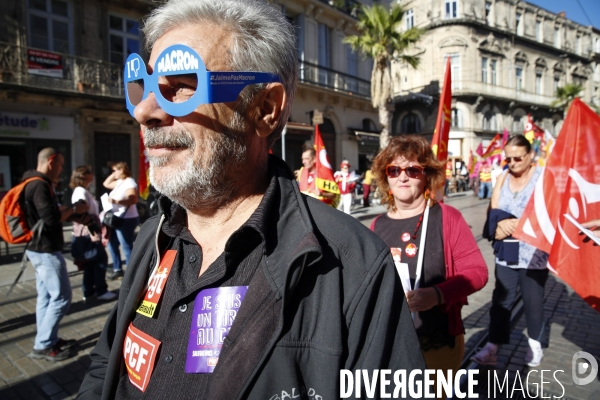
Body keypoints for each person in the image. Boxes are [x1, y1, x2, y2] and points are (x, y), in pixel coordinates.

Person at [78, 1, 424, 398]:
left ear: (264, 109)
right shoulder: (151, 238)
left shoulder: (352, 264)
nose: (144, 111)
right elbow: (107, 364)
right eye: (145, 86)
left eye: (183, 85)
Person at [369, 135, 488, 388]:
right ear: (385, 176)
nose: (402, 177)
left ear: (426, 175)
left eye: (412, 170)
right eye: (394, 170)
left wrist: (437, 295)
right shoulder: (377, 225)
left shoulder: (447, 217)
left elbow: (477, 272)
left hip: (436, 338)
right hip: (390, 339)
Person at [473, 134, 549, 367]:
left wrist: (520, 224)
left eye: (518, 158)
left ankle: (535, 345)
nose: (513, 163)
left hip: (534, 252)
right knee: (501, 301)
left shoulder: (543, 177)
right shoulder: (503, 176)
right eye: (509, 158)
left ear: (530, 155)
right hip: (507, 250)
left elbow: (549, 213)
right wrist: (499, 224)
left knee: (532, 300)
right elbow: (493, 210)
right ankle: (492, 347)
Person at [23, 148, 87, 361]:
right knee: (61, 296)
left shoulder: (30, 182)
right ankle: (43, 344)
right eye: (59, 165)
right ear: (51, 162)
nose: (61, 169)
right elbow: (50, 218)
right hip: (45, 250)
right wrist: (74, 210)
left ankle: (46, 340)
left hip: (37, 248)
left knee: (46, 296)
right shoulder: (39, 185)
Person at [69, 166, 116, 301]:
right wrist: (92, 232)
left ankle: (89, 291)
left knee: (91, 262)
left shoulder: (84, 191)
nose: (93, 175)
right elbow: (82, 214)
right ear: (83, 176)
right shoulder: (80, 192)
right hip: (88, 232)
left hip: (90, 229)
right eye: (90, 173)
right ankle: (100, 290)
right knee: (100, 260)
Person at [102, 162, 139, 280]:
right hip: (115, 219)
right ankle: (117, 269)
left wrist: (116, 202)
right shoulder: (120, 182)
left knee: (126, 246)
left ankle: (130, 273)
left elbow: (133, 199)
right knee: (112, 244)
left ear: (122, 170)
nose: (113, 173)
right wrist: (114, 174)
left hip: (126, 219)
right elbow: (106, 183)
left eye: (115, 171)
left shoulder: (129, 182)